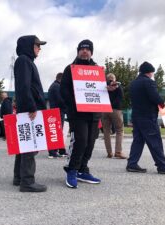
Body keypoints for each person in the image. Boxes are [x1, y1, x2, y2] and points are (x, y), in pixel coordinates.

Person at [60, 39, 101, 188]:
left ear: (91, 52)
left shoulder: (97, 69)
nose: (85, 51)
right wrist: (75, 104)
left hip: (94, 113)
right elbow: (63, 91)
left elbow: (100, 89)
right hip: (78, 114)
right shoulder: (70, 69)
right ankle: (72, 169)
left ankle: (83, 169)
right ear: (78, 51)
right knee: (81, 140)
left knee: (90, 142)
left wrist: (109, 88)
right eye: (82, 49)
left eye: (88, 49)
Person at [13, 35, 47, 192]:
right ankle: (27, 181)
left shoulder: (26, 61)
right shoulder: (24, 61)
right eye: (37, 45)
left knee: (24, 144)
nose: (39, 48)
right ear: (29, 46)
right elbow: (23, 87)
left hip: (27, 108)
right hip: (29, 110)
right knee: (30, 145)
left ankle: (19, 177)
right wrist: (32, 106)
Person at [127, 61, 165, 174]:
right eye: (152, 73)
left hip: (136, 116)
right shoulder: (149, 82)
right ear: (149, 72)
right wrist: (163, 105)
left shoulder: (133, 83)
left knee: (138, 141)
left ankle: (132, 164)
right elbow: (155, 97)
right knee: (155, 141)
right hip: (148, 117)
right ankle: (163, 167)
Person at [101, 73, 126, 159]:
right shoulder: (118, 87)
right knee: (119, 130)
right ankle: (118, 152)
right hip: (116, 110)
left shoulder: (103, 87)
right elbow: (121, 97)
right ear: (114, 79)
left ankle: (109, 152)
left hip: (104, 110)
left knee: (106, 131)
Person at [48, 72, 68, 158]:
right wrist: (68, 107)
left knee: (58, 132)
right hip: (57, 111)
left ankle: (61, 150)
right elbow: (60, 100)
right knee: (55, 132)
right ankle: (52, 152)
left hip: (56, 111)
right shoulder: (57, 86)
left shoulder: (54, 85)